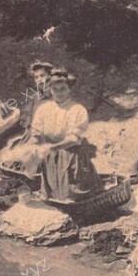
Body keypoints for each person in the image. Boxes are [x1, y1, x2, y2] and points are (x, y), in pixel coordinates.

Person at [23, 69, 102, 202]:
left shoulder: (78, 110)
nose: (59, 93)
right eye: (55, 89)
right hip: (49, 156)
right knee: (50, 194)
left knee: (72, 194)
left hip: (72, 155)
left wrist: (52, 148)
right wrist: (27, 148)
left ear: (69, 89)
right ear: (50, 90)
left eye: (63, 89)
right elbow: (36, 134)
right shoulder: (43, 109)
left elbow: (73, 139)